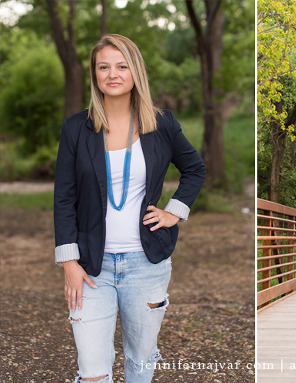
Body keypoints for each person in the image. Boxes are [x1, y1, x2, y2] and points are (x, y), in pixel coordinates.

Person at [54, 34, 206, 382]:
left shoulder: (161, 123)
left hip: (146, 263)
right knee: (92, 370)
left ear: (135, 70)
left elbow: (195, 168)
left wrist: (175, 211)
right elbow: (64, 197)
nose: (113, 74)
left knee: (140, 361)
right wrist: (69, 262)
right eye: (103, 66)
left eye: (122, 66)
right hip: (91, 267)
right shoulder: (76, 128)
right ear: (94, 75)